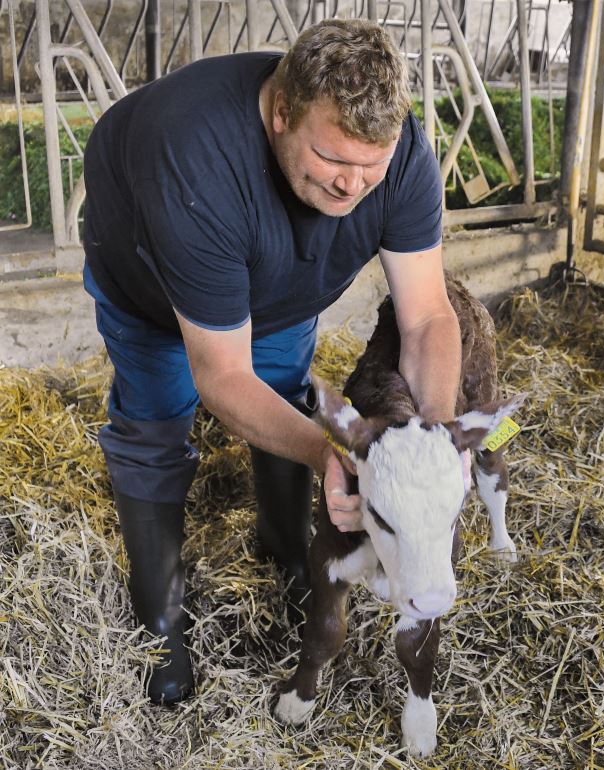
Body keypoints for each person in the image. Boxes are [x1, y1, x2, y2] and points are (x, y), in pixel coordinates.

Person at [81, 19, 461, 705]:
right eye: (332, 160)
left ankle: (285, 547)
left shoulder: (399, 159)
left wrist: (429, 439)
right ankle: (161, 616)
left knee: (286, 393)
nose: (353, 186)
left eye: (370, 167)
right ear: (282, 113)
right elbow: (222, 372)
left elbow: (428, 316)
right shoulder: (195, 154)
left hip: (285, 286)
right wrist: (328, 454)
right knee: (156, 418)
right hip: (153, 284)